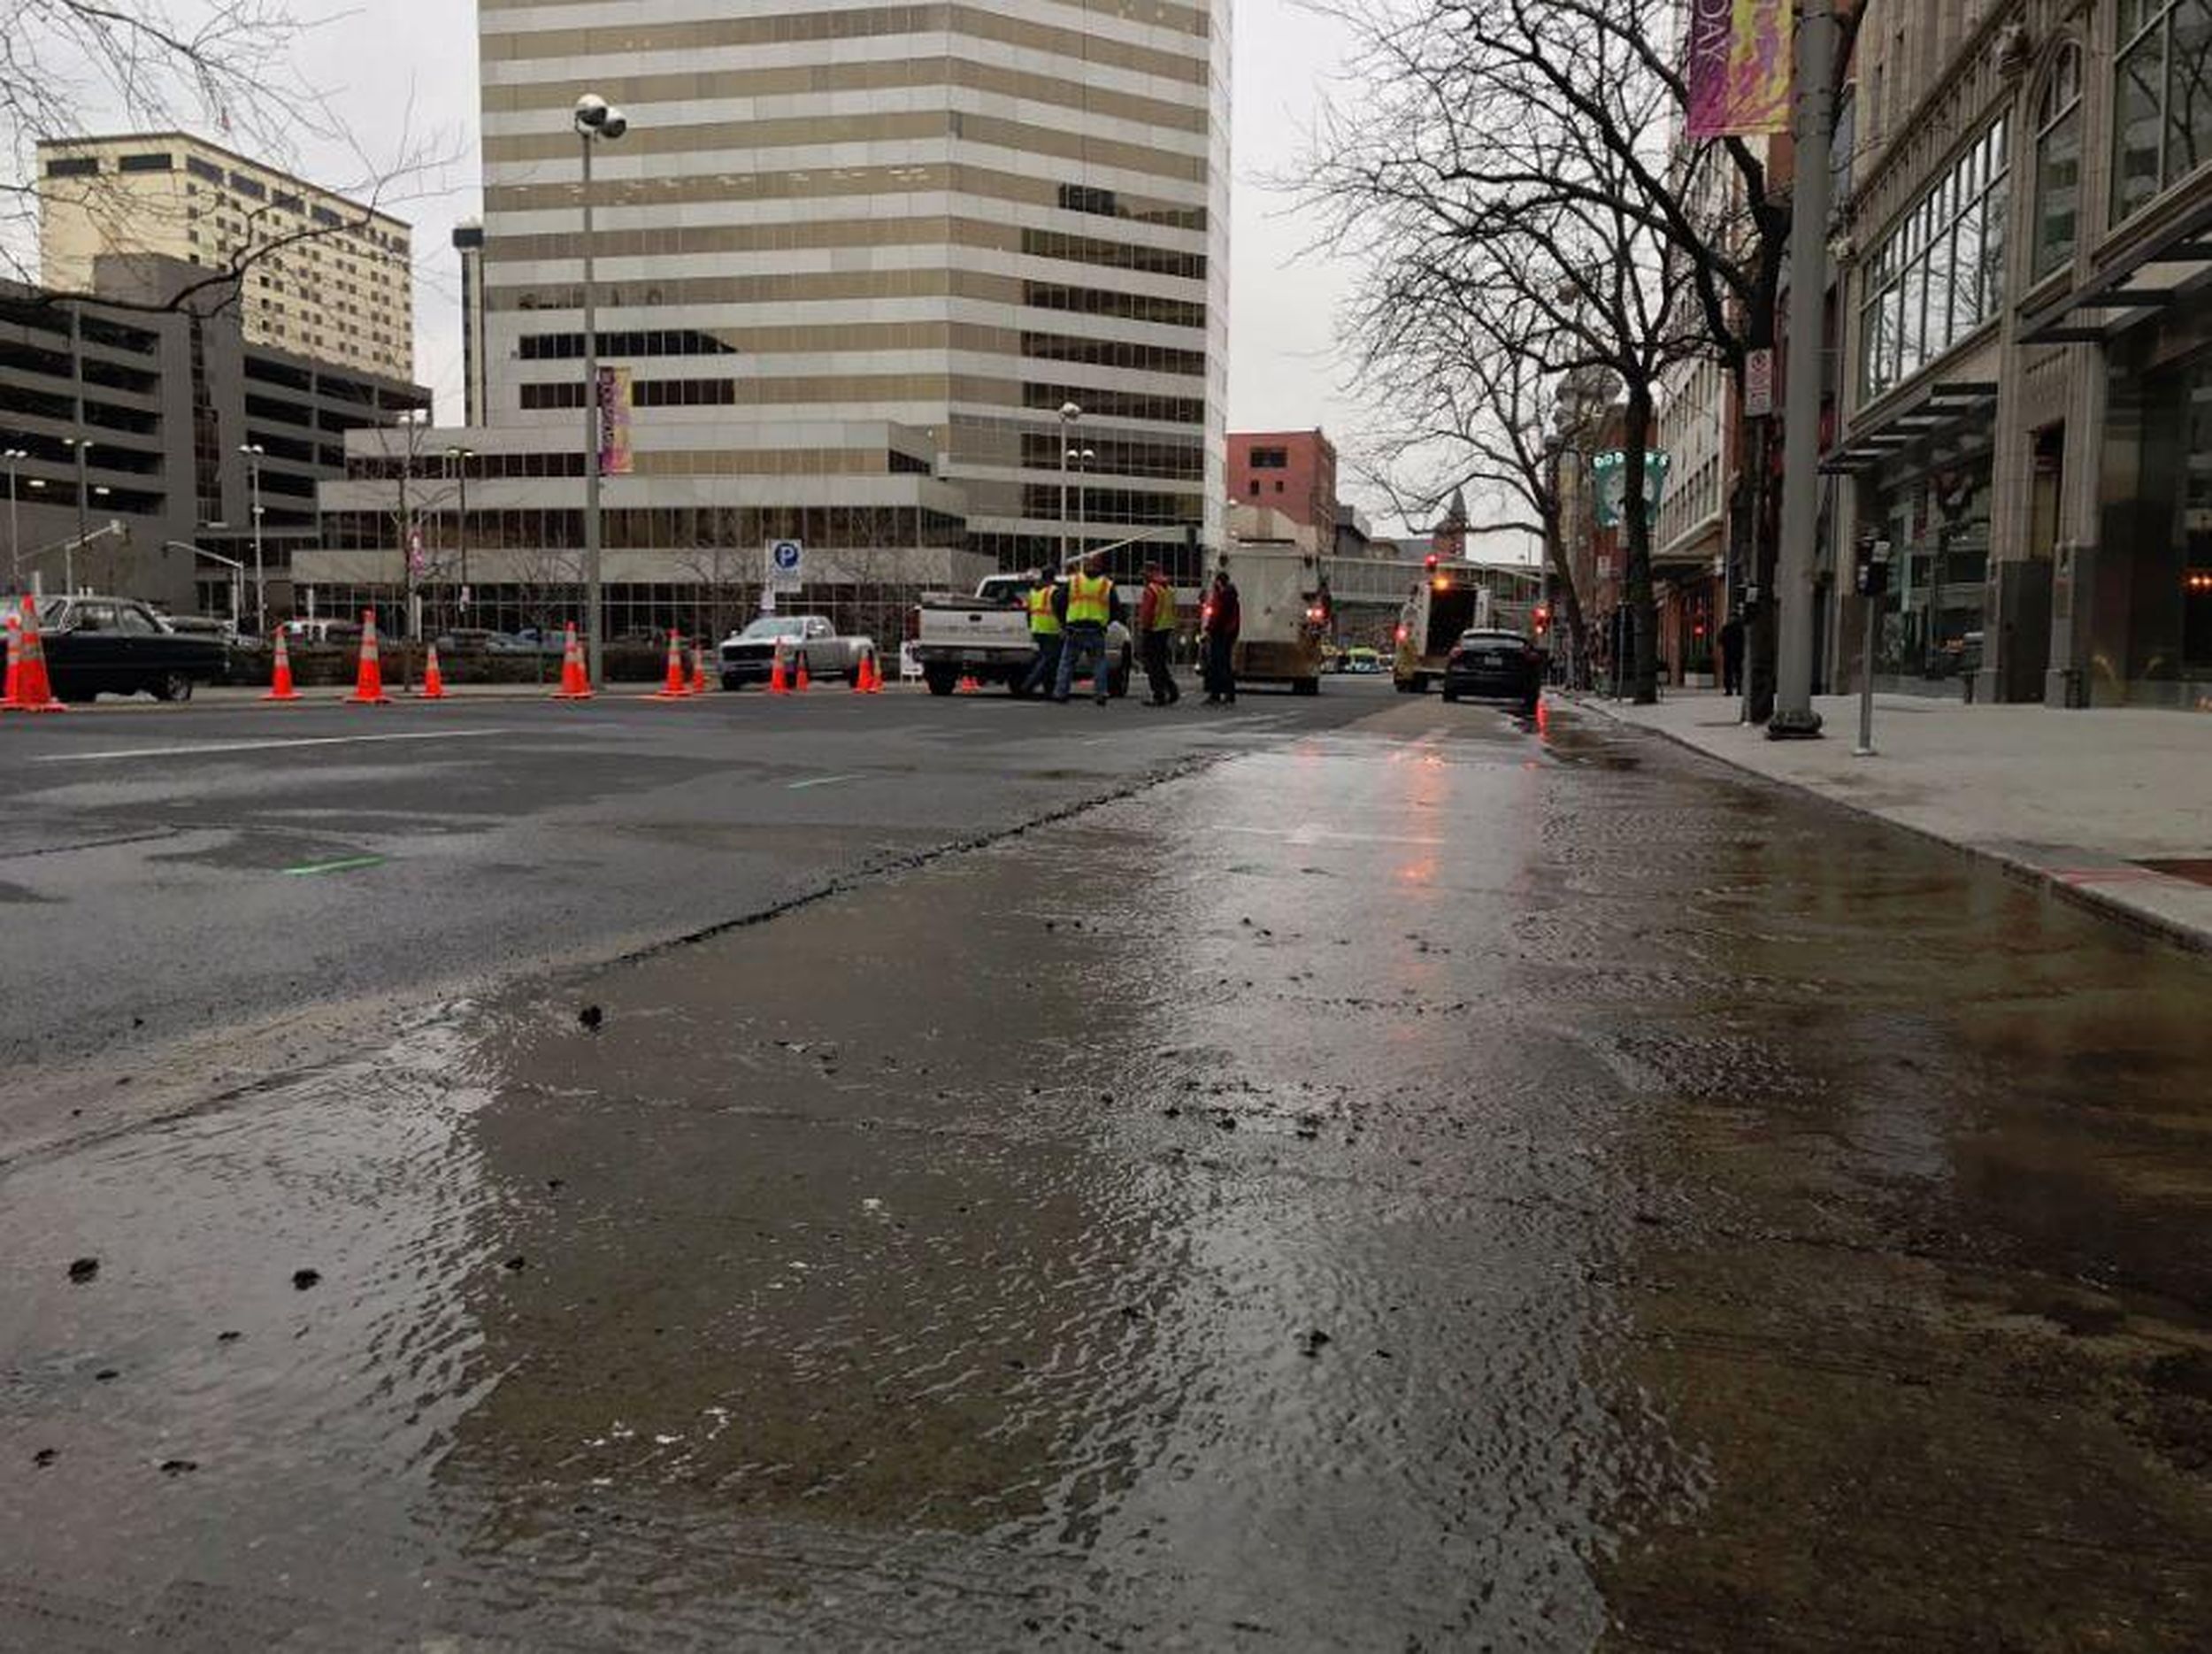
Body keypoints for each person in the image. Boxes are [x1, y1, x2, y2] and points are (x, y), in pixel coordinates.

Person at [1054, 553, 1116, 704]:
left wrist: (1063, 623)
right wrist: (1106, 623)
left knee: (1067, 662)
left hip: (1075, 628)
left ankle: (1061, 693)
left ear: (1085, 565)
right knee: (1099, 663)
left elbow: (1058, 601)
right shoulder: (1106, 584)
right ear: (1100, 566)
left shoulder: (1074, 581)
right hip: (1096, 629)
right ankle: (1100, 694)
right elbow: (1116, 608)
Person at [1137, 562, 1181, 705]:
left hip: (1153, 630)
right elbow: (1173, 610)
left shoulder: (1151, 589)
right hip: (1165, 629)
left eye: (1144, 575)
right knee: (1160, 664)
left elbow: (1147, 612)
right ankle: (1171, 690)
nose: (1143, 578)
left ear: (1150, 574)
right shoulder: (1168, 589)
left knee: (1152, 665)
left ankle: (1158, 694)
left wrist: (1144, 627)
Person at [1018, 568, 1062, 698]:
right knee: (1048, 661)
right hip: (1051, 629)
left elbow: (1028, 611)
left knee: (1048, 661)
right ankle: (1028, 685)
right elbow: (1060, 610)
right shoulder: (1054, 591)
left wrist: (1031, 627)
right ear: (1052, 577)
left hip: (1037, 629)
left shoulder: (1033, 592)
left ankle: (1049, 689)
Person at [1201, 566, 1240, 705]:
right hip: (1227, 634)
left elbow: (1217, 615)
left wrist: (1209, 629)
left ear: (1219, 582)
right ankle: (1228, 694)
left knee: (1217, 665)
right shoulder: (1232, 596)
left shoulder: (1223, 596)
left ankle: (1216, 694)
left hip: (1220, 634)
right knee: (1224, 665)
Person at [1719, 613, 1745, 696]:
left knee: (1729, 673)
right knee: (1738, 672)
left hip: (1729, 653)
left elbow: (1720, 639)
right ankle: (1738, 689)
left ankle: (1729, 690)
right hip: (1737, 653)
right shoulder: (1740, 629)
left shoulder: (1727, 628)